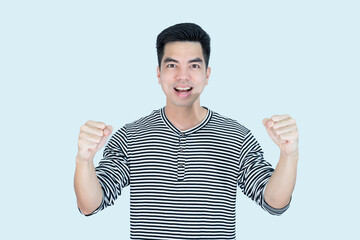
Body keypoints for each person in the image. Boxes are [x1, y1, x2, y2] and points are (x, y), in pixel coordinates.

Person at [74, 23, 299, 239]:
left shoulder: (237, 137)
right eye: (172, 65)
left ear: (207, 74)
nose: (183, 76)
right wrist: (84, 160)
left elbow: (273, 203)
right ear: (159, 73)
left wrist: (289, 155)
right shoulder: (130, 136)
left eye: (194, 65)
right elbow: (90, 205)